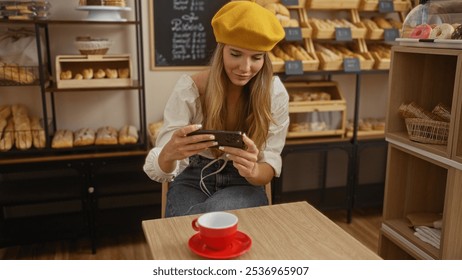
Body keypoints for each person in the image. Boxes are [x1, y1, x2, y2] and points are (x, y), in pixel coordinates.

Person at [143, 0, 289, 217]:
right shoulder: (191, 89)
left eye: (256, 57)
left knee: (195, 223)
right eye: (236, 54)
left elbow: (269, 165)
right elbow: (163, 167)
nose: (245, 68)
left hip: (245, 183)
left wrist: (253, 170)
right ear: (222, 50)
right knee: (215, 222)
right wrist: (169, 153)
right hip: (192, 177)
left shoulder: (274, 94)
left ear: (265, 59)